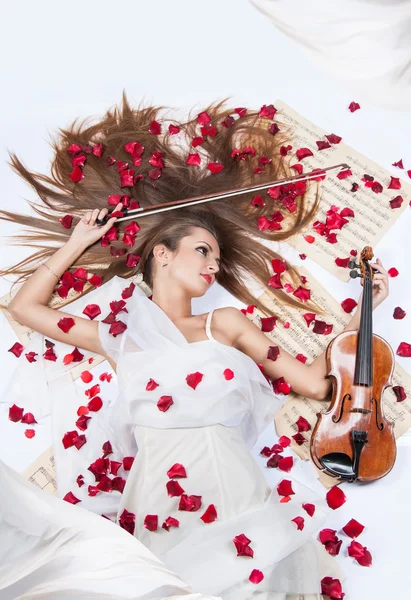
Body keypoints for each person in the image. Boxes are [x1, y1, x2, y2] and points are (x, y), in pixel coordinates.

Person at [0, 95, 389, 598]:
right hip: (158, 490)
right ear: (161, 254)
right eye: (202, 250)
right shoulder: (120, 337)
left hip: (231, 479)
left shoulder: (224, 323)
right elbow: (27, 309)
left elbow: (314, 382)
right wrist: (78, 242)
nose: (212, 265)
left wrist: (362, 312)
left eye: (217, 257)